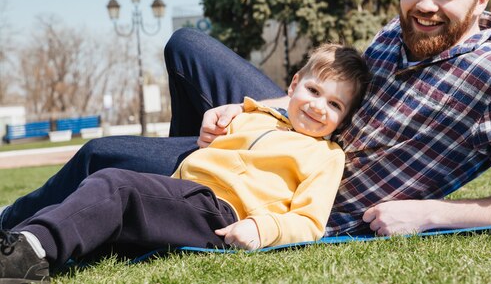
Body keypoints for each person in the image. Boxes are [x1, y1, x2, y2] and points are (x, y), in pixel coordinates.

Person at [0, 0, 491, 240]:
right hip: (291, 129)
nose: (424, 4)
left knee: (102, 154)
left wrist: (426, 213)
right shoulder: (396, 37)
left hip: (296, 182)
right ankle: (190, 170)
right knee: (186, 44)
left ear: (481, 0)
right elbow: (329, 92)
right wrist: (256, 110)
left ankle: (10, 229)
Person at [0, 44, 371, 283]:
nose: (318, 106)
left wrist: (264, 227)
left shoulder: (326, 156)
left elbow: (309, 221)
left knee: (117, 185)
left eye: (335, 105)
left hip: (221, 212)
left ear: (343, 119)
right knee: (103, 207)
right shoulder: (255, 116)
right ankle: (18, 238)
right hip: (184, 191)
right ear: (292, 86)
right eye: (313, 90)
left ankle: (29, 252)